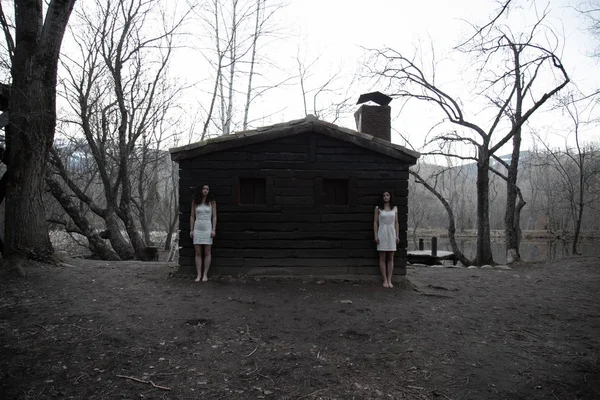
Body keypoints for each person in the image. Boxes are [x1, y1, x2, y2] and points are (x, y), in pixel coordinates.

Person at [189, 185, 217, 282]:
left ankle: (205, 274)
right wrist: (191, 230)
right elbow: (192, 216)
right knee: (198, 252)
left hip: (207, 228)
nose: (205, 190)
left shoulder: (212, 202)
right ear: (200, 190)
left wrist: (213, 229)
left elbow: (214, 217)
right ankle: (198, 275)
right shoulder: (195, 202)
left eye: (207, 189)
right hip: (197, 228)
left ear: (209, 191)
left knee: (207, 252)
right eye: (203, 189)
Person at [374, 191, 399, 288]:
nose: (385, 197)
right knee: (382, 257)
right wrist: (376, 235)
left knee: (391, 258)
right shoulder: (378, 208)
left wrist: (397, 235)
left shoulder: (394, 208)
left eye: (387, 195)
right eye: (384, 195)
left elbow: (396, 222)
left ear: (390, 196)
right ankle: (384, 279)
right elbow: (375, 222)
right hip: (382, 233)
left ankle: (389, 279)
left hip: (391, 233)